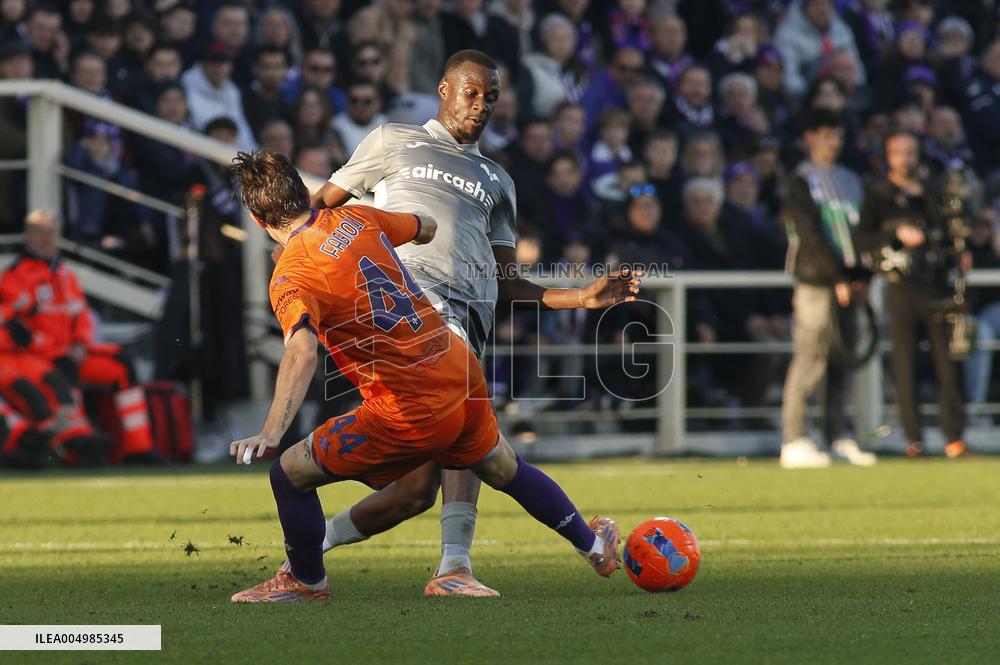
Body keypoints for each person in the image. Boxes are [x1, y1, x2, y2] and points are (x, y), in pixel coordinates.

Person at [310, 49, 639, 597]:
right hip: (415, 308)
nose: (481, 105)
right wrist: (307, 261)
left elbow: (509, 283)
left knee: (415, 491)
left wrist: (580, 297)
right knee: (474, 438)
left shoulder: (498, 181)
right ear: (444, 89)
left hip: (462, 325)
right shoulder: (392, 140)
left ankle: (306, 546)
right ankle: (461, 567)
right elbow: (324, 205)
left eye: (491, 96)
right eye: (472, 92)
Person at [227, 149, 622, 602]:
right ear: (303, 193)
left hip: (407, 403)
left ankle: (305, 581)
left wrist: (271, 429)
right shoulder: (355, 218)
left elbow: (301, 350)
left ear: (259, 220)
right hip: (456, 365)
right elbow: (424, 226)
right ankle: (594, 548)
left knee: (288, 474)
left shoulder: (290, 275)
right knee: (503, 467)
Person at [0, 210, 160, 465]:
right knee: (60, 376)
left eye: (50, 233)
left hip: (72, 351)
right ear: (28, 236)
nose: (45, 239)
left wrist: (81, 344)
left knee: (121, 365)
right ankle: (76, 445)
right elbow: (16, 328)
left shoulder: (64, 274)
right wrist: (49, 347)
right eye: (39, 233)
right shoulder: (15, 276)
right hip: (39, 357)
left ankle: (138, 447)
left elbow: (81, 316)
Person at [855, 129, 968, 459]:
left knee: (947, 362)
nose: (905, 158)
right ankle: (914, 439)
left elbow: (951, 231)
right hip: (901, 287)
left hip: (935, 284)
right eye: (898, 152)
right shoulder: (877, 195)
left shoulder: (932, 192)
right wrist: (895, 232)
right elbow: (862, 238)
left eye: (909, 152)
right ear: (888, 156)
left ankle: (954, 438)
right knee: (905, 363)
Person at [780, 109, 876, 469]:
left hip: (849, 285)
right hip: (816, 282)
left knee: (843, 360)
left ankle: (837, 435)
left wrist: (861, 277)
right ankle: (794, 438)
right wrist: (836, 277)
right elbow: (809, 234)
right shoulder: (800, 181)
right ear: (810, 138)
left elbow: (863, 232)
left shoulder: (852, 180)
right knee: (809, 357)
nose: (834, 141)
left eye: (837, 134)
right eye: (826, 134)